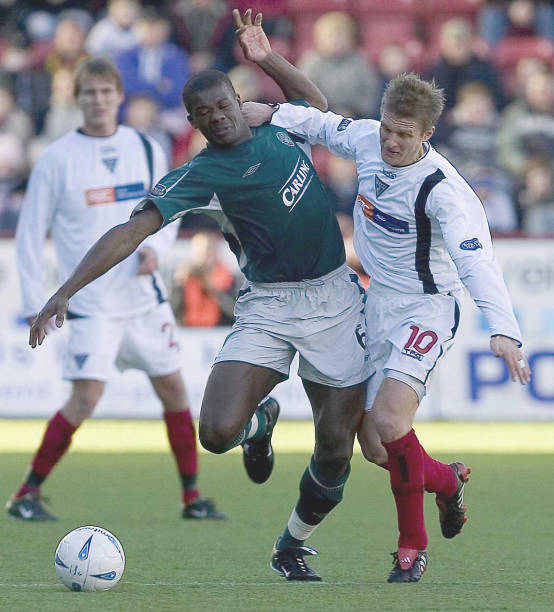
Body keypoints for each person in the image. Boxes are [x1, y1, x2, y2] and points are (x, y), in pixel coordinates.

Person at [27, 10, 371, 582]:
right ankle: (260, 425)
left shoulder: (279, 124)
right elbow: (130, 230)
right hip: (267, 305)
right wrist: (63, 292)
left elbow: (319, 106)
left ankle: (291, 544)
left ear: (239, 100)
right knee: (215, 433)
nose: (218, 117)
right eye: (204, 113)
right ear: (193, 120)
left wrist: (267, 59)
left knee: (336, 449)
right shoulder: (201, 172)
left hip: (336, 298)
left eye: (224, 105)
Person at [242, 55, 531, 583]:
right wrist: (269, 111)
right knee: (375, 446)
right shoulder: (370, 139)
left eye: (404, 135)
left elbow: (476, 261)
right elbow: (323, 125)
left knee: (393, 423)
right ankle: (446, 482)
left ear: (427, 133)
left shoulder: (445, 192)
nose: (391, 143)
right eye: (388, 130)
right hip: (375, 302)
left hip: (427, 306)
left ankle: (411, 546)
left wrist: (504, 329)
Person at [6, 57, 226, 522]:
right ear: (78, 98)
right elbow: (29, 235)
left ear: (120, 96)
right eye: (90, 93)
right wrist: (33, 305)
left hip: (143, 300)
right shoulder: (56, 158)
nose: (99, 100)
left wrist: (159, 250)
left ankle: (192, 497)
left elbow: (169, 208)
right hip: (90, 305)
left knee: (173, 390)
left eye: (106, 92)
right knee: (85, 397)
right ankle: (26, 493)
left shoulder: (146, 147)